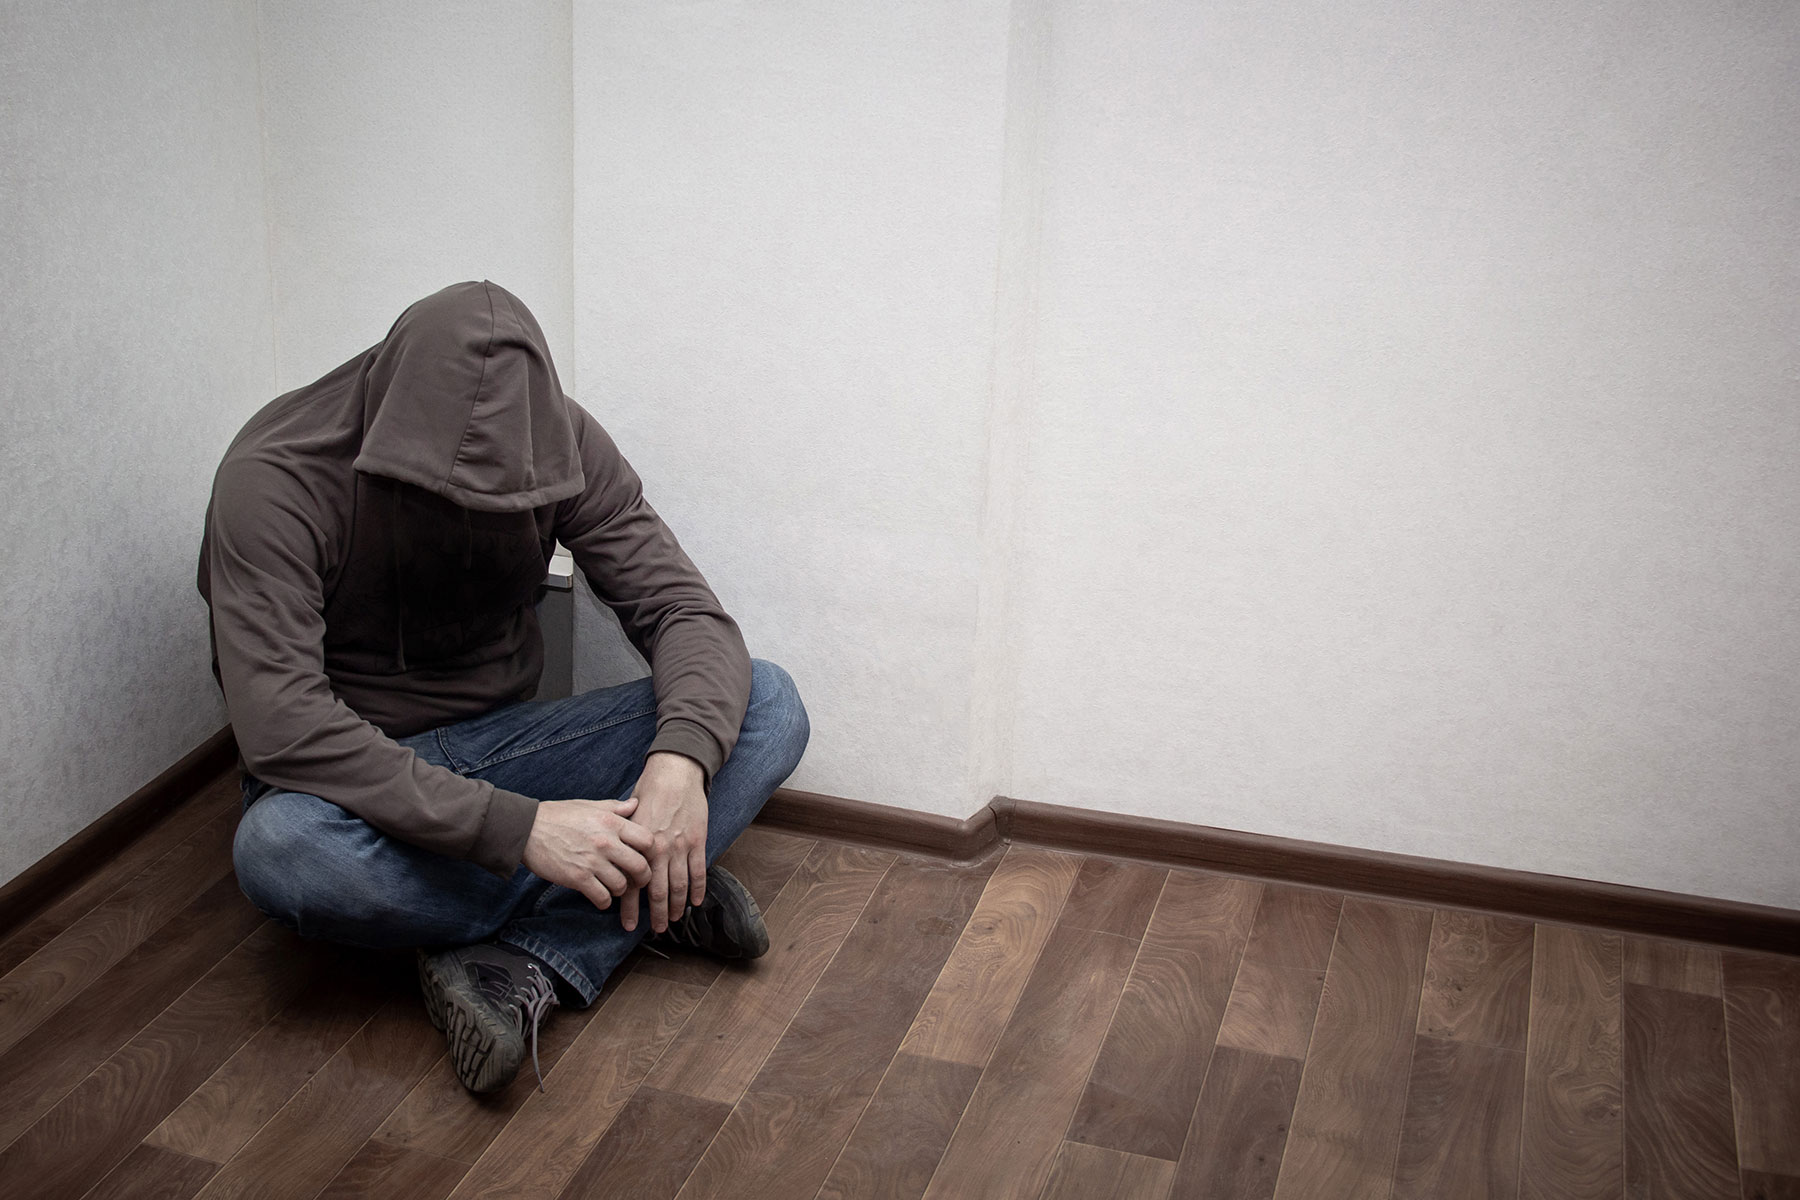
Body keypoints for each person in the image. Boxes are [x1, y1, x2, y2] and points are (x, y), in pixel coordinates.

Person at [197, 280, 809, 1093]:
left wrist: (679, 767)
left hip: (512, 748)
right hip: (351, 780)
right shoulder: (272, 480)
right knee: (280, 854)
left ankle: (526, 953)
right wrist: (519, 832)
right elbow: (284, 730)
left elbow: (683, 613)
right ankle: (646, 894)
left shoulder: (559, 439)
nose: (467, 521)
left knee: (767, 704)